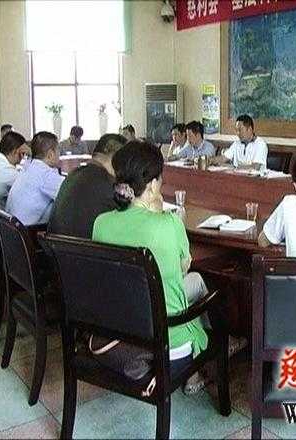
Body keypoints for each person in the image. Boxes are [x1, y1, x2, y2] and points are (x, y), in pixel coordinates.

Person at [92, 141, 209, 392]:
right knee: (195, 284)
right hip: (166, 345)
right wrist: (163, 217)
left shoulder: (101, 223)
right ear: (154, 184)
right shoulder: (169, 224)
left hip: (121, 334)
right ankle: (195, 371)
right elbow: (182, 269)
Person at [48, 133, 127, 238]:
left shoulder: (72, 175)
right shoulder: (107, 182)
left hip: (56, 245)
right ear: (116, 158)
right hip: (85, 247)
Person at [6, 132, 64, 225]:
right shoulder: (46, 175)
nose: (59, 154)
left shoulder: (28, 168)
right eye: (58, 150)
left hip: (12, 227)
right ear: (50, 154)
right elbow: (71, 193)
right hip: (29, 231)